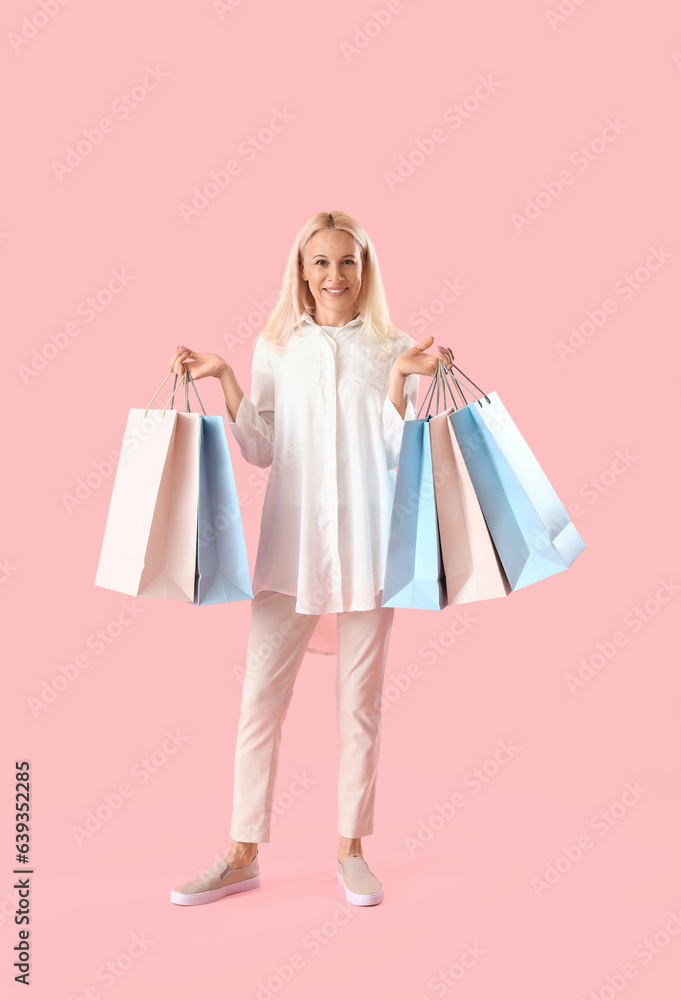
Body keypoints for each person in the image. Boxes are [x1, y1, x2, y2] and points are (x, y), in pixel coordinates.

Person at [169, 210, 446, 907]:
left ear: (365, 268)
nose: (334, 276)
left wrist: (400, 380)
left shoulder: (393, 345)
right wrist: (227, 377)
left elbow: (391, 451)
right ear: (301, 269)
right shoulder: (277, 344)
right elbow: (262, 446)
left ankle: (351, 849)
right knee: (259, 701)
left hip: (364, 546)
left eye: (346, 261)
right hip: (289, 546)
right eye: (319, 262)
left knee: (360, 708)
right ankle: (240, 852)